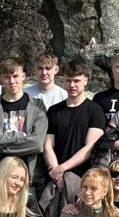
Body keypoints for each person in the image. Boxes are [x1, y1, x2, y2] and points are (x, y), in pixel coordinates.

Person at [0, 56, 48, 190]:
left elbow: (36, 144)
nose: (12, 81)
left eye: (15, 76)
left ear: (23, 76)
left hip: (27, 181)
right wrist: (19, 136)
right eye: (7, 77)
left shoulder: (37, 107)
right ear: (1, 79)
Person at [42, 60, 106, 207]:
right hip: (54, 178)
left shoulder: (95, 110)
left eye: (76, 81)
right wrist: (56, 173)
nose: (72, 85)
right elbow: (47, 145)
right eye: (68, 81)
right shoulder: (54, 110)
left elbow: (90, 147)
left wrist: (61, 169)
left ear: (85, 81)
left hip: (83, 180)